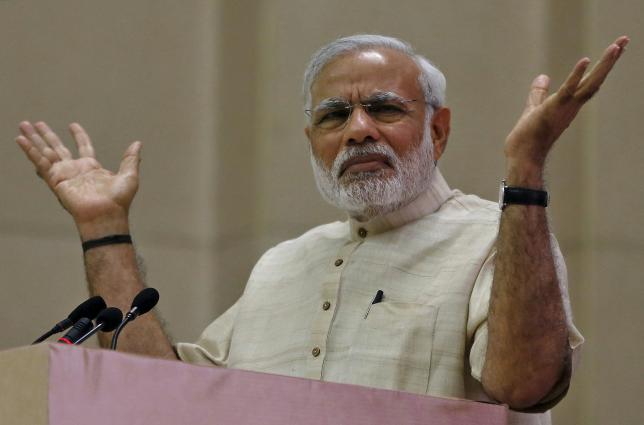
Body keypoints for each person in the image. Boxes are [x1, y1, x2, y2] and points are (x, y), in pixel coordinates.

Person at [16, 34, 628, 424]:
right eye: (335, 115)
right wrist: (105, 228)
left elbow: (526, 385)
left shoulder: (497, 238)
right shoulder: (281, 266)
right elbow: (157, 391)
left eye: (385, 107)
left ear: (437, 131)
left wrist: (526, 171)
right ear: (312, 141)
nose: (359, 129)